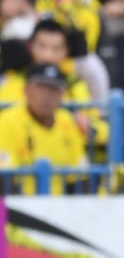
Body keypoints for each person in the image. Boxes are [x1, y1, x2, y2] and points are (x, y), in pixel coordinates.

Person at [0, 63, 88, 195]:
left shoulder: (67, 121)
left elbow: (81, 177)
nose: (46, 96)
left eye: (53, 89)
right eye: (40, 87)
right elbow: (5, 179)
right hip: (19, 206)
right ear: (26, 90)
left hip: (61, 206)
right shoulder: (8, 121)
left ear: (62, 95)